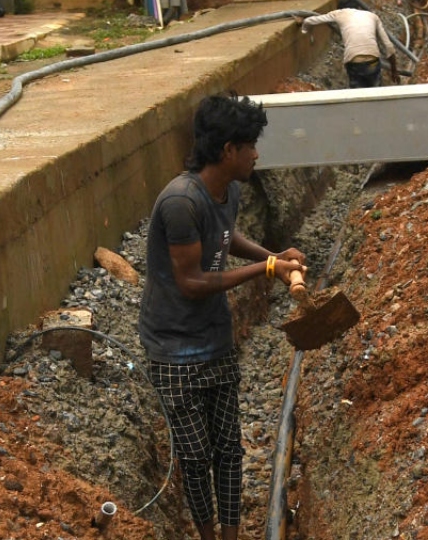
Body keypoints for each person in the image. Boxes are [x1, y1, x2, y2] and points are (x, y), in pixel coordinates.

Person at [140, 93, 307, 540]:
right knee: (196, 456)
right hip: (174, 349)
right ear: (228, 150)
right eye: (250, 144)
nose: (256, 153)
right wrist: (268, 269)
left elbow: (226, 237)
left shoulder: (227, 190)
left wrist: (272, 255)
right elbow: (191, 282)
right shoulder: (180, 202)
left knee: (229, 451)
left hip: (214, 339)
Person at [300, 8, 399, 88]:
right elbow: (389, 46)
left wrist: (303, 28)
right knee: (375, 93)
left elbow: (310, 20)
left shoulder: (339, 14)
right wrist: (394, 71)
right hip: (373, 59)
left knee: (357, 95)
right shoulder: (372, 16)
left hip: (353, 60)